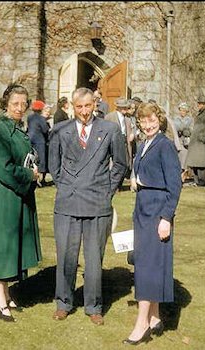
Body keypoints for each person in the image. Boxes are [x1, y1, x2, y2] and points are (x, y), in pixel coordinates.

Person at [49, 87, 127, 325]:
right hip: (68, 202)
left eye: (88, 106)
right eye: (79, 107)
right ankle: (64, 302)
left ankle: (94, 306)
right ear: (73, 107)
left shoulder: (110, 129)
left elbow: (121, 165)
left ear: (95, 105)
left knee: (94, 259)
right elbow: (54, 166)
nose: (83, 112)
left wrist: (106, 191)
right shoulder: (60, 131)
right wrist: (66, 186)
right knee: (66, 256)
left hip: (97, 202)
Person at [0, 83, 42, 322]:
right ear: (5, 104)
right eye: (15, 103)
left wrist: (34, 167)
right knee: (2, 248)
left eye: (23, 104)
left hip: (17, 196)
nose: (20, 108)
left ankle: (4, 294)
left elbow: (24, 157)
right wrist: (30, 176)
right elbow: (3, 169)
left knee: (13, 246)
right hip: (4, 198)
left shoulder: (18, 129)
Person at [125, 102, 181, 345]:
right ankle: (155, 317)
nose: (147, 125)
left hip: (157, 210)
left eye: (152, 120)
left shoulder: (165, 145)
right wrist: (137, 178)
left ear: (160, 120)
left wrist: (166, 218)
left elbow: (175, 185)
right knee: (146, 262)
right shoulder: (144, 143)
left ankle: (141, 325)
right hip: (143, 207)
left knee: (147, 267)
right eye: (143, 121)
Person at [185, 94, 205, 187]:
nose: (199, 105)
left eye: (201, 103)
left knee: (201, 164)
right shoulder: (199, 114)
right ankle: (197, 181)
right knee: (195, 163)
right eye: (198, 103)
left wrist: (202, 138)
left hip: (203, 144)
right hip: (196, 143)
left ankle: (202, 182)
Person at [105, 97, 135, 179]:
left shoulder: (128, 119)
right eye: (124, 107)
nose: (126, 109)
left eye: (126, 107)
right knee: (115, 164)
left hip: (125, 143)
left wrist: (132, 134)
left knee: (125, 163)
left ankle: (119, 182)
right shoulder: (109, 117)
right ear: (118, 107)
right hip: (114, 144)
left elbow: (132, 130)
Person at [27, 100, 50, 186]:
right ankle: (40, 180)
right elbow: (45, 130)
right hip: (39, 141)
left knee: (32, 160)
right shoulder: (41, 118)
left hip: (30, 140)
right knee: (41, 160)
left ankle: (32, 178)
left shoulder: (29, 117)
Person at [173, 102, 194, 183]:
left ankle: (183, 175)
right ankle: (178, 176)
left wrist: (187, 130)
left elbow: (191, 129)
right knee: (178, 159)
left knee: (184, 159)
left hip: (186, 142)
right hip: (178, 141)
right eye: (181, 110)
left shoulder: (190, 119)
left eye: (184, 110)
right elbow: (176, 127)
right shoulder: (176, 119)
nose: (182, 112)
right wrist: (183, 128)